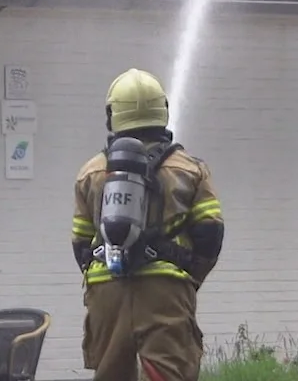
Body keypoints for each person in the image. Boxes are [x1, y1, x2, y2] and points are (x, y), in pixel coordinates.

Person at [71, 68, 224, 381]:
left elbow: (80, 242)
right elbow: (211, 233)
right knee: (167, 375)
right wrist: (188, 276)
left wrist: (103, 273)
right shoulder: (191, 170)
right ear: (162, 110)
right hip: (165, 289)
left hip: (106, 290)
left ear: (112, 115)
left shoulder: (90, 172)